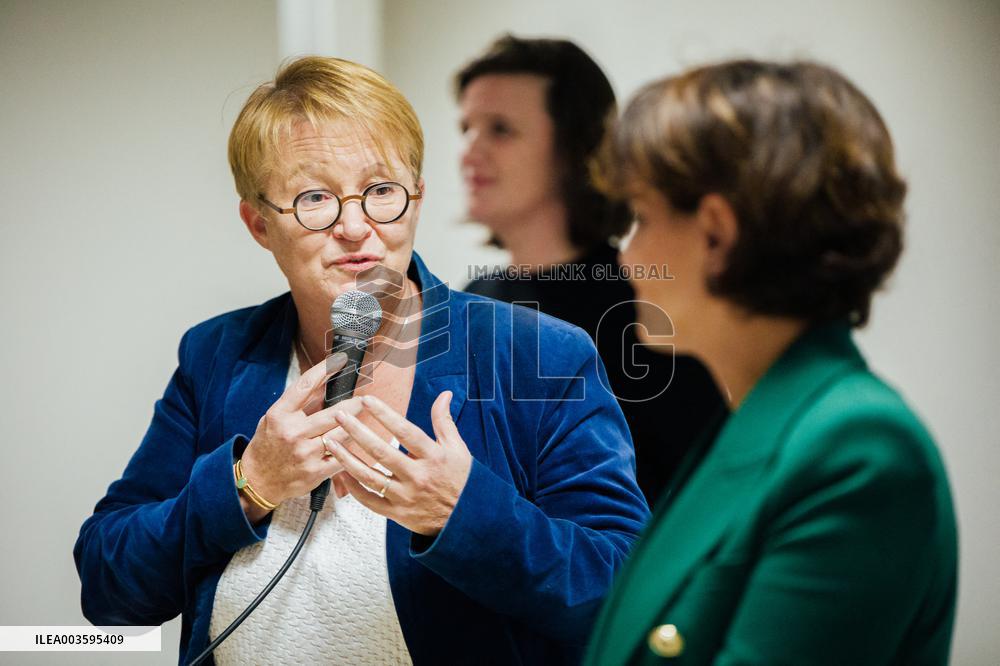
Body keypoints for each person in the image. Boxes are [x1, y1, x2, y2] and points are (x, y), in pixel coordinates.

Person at [73, 56, 649, 665]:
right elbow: (108, 588)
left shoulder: (538, 354)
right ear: (259, 224)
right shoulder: (216, 355)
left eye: (380, 192)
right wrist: (249, 486)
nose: (355, 226)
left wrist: (463, 515)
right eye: (314, 198)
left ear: (417, 199)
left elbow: (628, 593)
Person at [583, 59, 958, 665]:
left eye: (643, 221)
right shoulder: (757, 424)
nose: (628, 259)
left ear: (716, 235)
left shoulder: (858, 451)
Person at [456, 35, 725, 504]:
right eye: (466, 129)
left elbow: (694, 496)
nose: (469, 153)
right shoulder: (472, 297)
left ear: (573, 150)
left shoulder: (647, 308)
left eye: (500, 129)